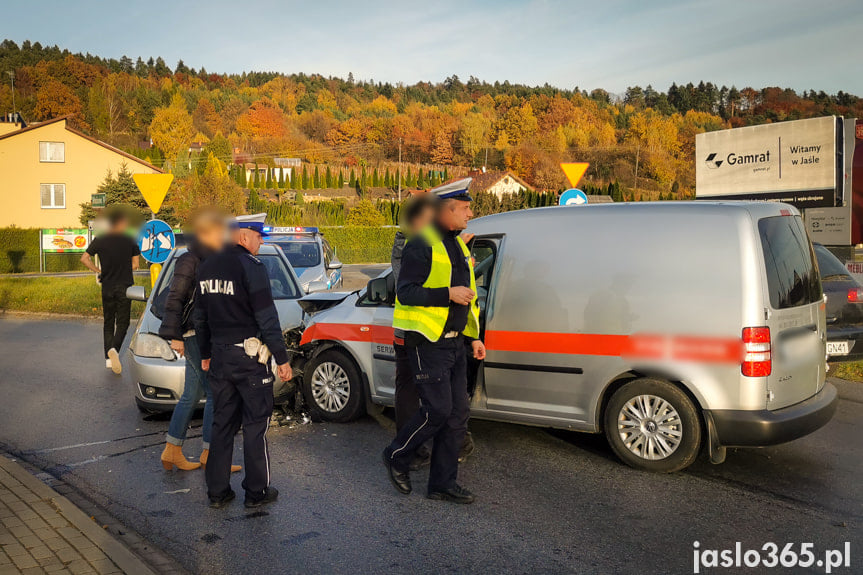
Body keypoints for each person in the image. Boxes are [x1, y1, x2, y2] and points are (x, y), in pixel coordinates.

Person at [382, 178, 486, 504]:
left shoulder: (456, 244)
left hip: (455, 343)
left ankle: (442, 483)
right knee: (438, 410)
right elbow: (406, 291)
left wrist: (473, 338)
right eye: (466, 208)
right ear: (447, 210)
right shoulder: (420, 243)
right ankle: (396, 455)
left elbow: (467, 296)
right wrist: (447, 294)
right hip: (427, 342)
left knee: (457, 416)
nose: (471, 213)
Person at [196, 221, 293, 509]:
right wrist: (281, 357)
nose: (261, 243)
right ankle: (256, 491)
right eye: (258, 238)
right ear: (243, 236)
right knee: (255, 424)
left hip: (220, 356)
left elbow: (200, 318)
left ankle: (217, 492)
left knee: (222, 423)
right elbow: (267, 317)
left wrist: (205, 353)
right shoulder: (251, 266)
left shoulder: (207, 265)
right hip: (249, 358)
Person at [157, 211, 240, 474]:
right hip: (193, 333)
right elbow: (174, 299)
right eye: (218, 232)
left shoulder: (208, 259)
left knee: (192, 394)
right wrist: (174, 336)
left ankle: (173, 450)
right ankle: (210, 453)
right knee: (215, 392)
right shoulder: (189, 260)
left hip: (202, 333)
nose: (222, 237)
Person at [391, 195, 438, 470]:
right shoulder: (414, 245)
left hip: (412, 329)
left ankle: (409, 448)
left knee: (410, 391)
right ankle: (409, 450)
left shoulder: (407, 242)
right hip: (416, 330)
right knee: (413, 392)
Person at [80, 210, 140, 375]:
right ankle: (114, 349)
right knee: (123, 323)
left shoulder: (100, 239)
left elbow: (84, 258)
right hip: (125, 287)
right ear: (120, 222)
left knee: (108, 322)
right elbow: (135, 264)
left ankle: (108, 359)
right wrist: (127, 265)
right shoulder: (129, 240)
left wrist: (98, 270)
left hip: (107, 286)